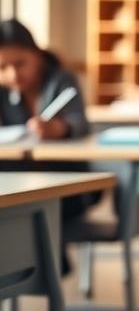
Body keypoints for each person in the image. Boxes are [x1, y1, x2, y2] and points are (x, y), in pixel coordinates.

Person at [0, 18, 95, 273]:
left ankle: (41, 269)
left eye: (20, 63)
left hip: (68, 184)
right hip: (22, 183)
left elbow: (80, 123)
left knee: (25, 207)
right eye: (3, 67)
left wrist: (60, 129)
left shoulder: (61, 79)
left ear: (37, 54)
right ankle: (27, 270)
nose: (13, 74)